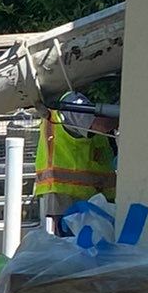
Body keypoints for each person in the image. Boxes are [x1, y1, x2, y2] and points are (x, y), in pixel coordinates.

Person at [32, 97, 118, 229]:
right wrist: (127, 110)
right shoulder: (72, 101)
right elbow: (101, 125)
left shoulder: (60, 106)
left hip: (76, 195)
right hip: (73, 197)